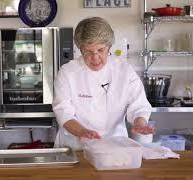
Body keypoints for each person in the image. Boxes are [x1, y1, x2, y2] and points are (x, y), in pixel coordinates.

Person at [52, 17, 154, 150]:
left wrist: (140, 124)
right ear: (80, 49)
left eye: (100, 50)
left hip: (114, 147)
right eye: (88, 51)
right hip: (75, 148)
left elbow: (138, 105)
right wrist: (82, 132)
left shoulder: (124, 71)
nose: (95, 58)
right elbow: (63, 111)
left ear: (109, 47)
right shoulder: (67, 73)